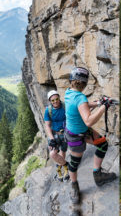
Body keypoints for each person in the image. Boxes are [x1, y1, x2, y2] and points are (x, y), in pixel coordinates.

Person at [64, 67, 116, 204]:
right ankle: (74, 186)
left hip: (77, 131)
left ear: (72, 81)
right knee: (74, 163)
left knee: (103, 144)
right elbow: (88, 120)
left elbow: (82, 105)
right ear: (84, 83)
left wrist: (98, 103)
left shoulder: (68, 92)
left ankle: (97, 175)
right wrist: (104, 107)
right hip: (77, 135)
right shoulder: (80, 97)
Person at [44, 90, 69, 182]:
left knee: (63, 151)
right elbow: (47, 125)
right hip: (55, 134)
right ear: (50, 101)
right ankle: (66, 165)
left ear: (59, 98)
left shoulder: (65, 106)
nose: (55, 102)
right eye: (52, 100)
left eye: (56, 99)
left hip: (65, 134)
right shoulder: (48, 110)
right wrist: (51, 139)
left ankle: (62, 168)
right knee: (53, 154)